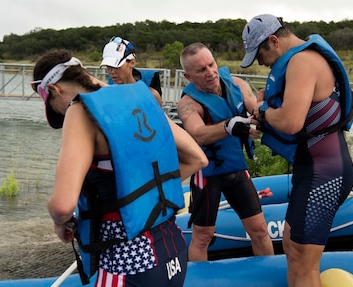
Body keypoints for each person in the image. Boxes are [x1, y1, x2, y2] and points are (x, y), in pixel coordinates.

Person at [31, 49, 208, 287]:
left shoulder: (81, 110)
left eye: (55, 108)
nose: (62, 114)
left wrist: (58, 222)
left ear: (55, 90)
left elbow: (63, 205)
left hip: (129, 263)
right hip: (172, 251)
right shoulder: (140, 97)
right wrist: (143, 194)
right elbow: (197, 158)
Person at [240, 14, 353, 286]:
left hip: (325, 173)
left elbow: (291, 122)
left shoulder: (302, 62)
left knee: (303, 261)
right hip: (314, 169)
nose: (259, 62)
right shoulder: (300, 60)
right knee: (292, 247)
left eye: (259, 53)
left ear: (274, 41)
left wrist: (262, 111)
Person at [177, 42, 275, 261]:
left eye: (211, 64)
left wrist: (264, 109)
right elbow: (198, 133)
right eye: (201, 70)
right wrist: (228, 126)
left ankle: (269, 276)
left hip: (237, 170)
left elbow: (254, 108)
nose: (210, 73)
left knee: (259, 230)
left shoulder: (237, 84)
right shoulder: (188, 103)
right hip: (208, 176)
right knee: (203, 237)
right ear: (188, 76)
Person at [100, 36, 163, 106]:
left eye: (117, 66)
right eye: (108, 67)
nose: (112, 72)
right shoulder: (107, 93)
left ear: (132, 62)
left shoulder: (150, 95)